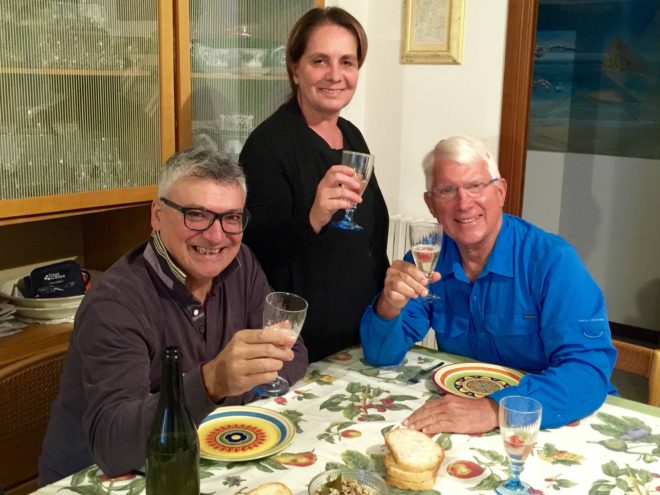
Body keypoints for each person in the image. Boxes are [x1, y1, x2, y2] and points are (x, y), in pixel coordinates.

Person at [38, 147, 308, 485]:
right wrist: (212, 383)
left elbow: (293, 357)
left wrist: (225, 388)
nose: (216, 235)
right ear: (157, 215)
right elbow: (115, 447)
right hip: (92, 478)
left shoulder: (242, 264)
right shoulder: (115, 303)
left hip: (196, 456)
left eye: (232, 217)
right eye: (196, 214)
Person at [360, 135, 617, 433]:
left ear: (500, 192)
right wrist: (388, 307)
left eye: (475, 186)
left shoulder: (553, 261)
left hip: (557, 418)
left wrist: (497, 409)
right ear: (431, 204)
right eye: (447, 190)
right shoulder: (427, 258)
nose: (463, 203)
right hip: (467, 416)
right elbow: (380, 356)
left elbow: (588, 372)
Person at [240, 7, 389, 362]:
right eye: (320, 61)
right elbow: (254, 251)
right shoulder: (268, 145)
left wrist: (387, 310)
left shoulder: (351, 135)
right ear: (295, 68)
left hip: (358, 333)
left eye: (347, 62)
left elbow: (372, 232)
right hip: (302, 343)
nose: (335, 75)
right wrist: (314, 216)